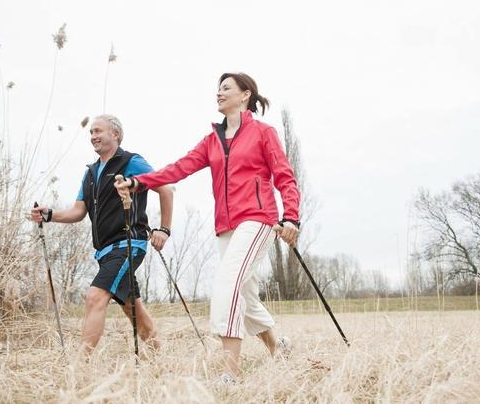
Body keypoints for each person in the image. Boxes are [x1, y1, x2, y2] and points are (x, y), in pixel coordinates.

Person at [115, 73, 300, 383]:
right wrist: (138, 182)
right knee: (246, 293)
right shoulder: (212, 140)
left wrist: (291, 217)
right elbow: (179, 168)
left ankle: (230, 373)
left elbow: (284, 177)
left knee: (227, 282)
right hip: (226, 225)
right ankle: (277, 348)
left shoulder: (263, 133)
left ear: (245, 95)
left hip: (257, 218)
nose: (219, 93)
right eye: (218, 89)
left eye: (226, 88)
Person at [31, 114, 174, 356]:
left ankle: (79, 364)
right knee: (133, 308)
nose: (93, 136)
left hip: (129, 244)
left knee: (95, 296)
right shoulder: (90, 173)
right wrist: (50, 214)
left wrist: (164, 229)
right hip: (104, 252)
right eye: (91, 133)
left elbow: (166, 188)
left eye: (98, 131)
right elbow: (78, 211)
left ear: (115, 134)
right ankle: (161, 358)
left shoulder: (131, 161)